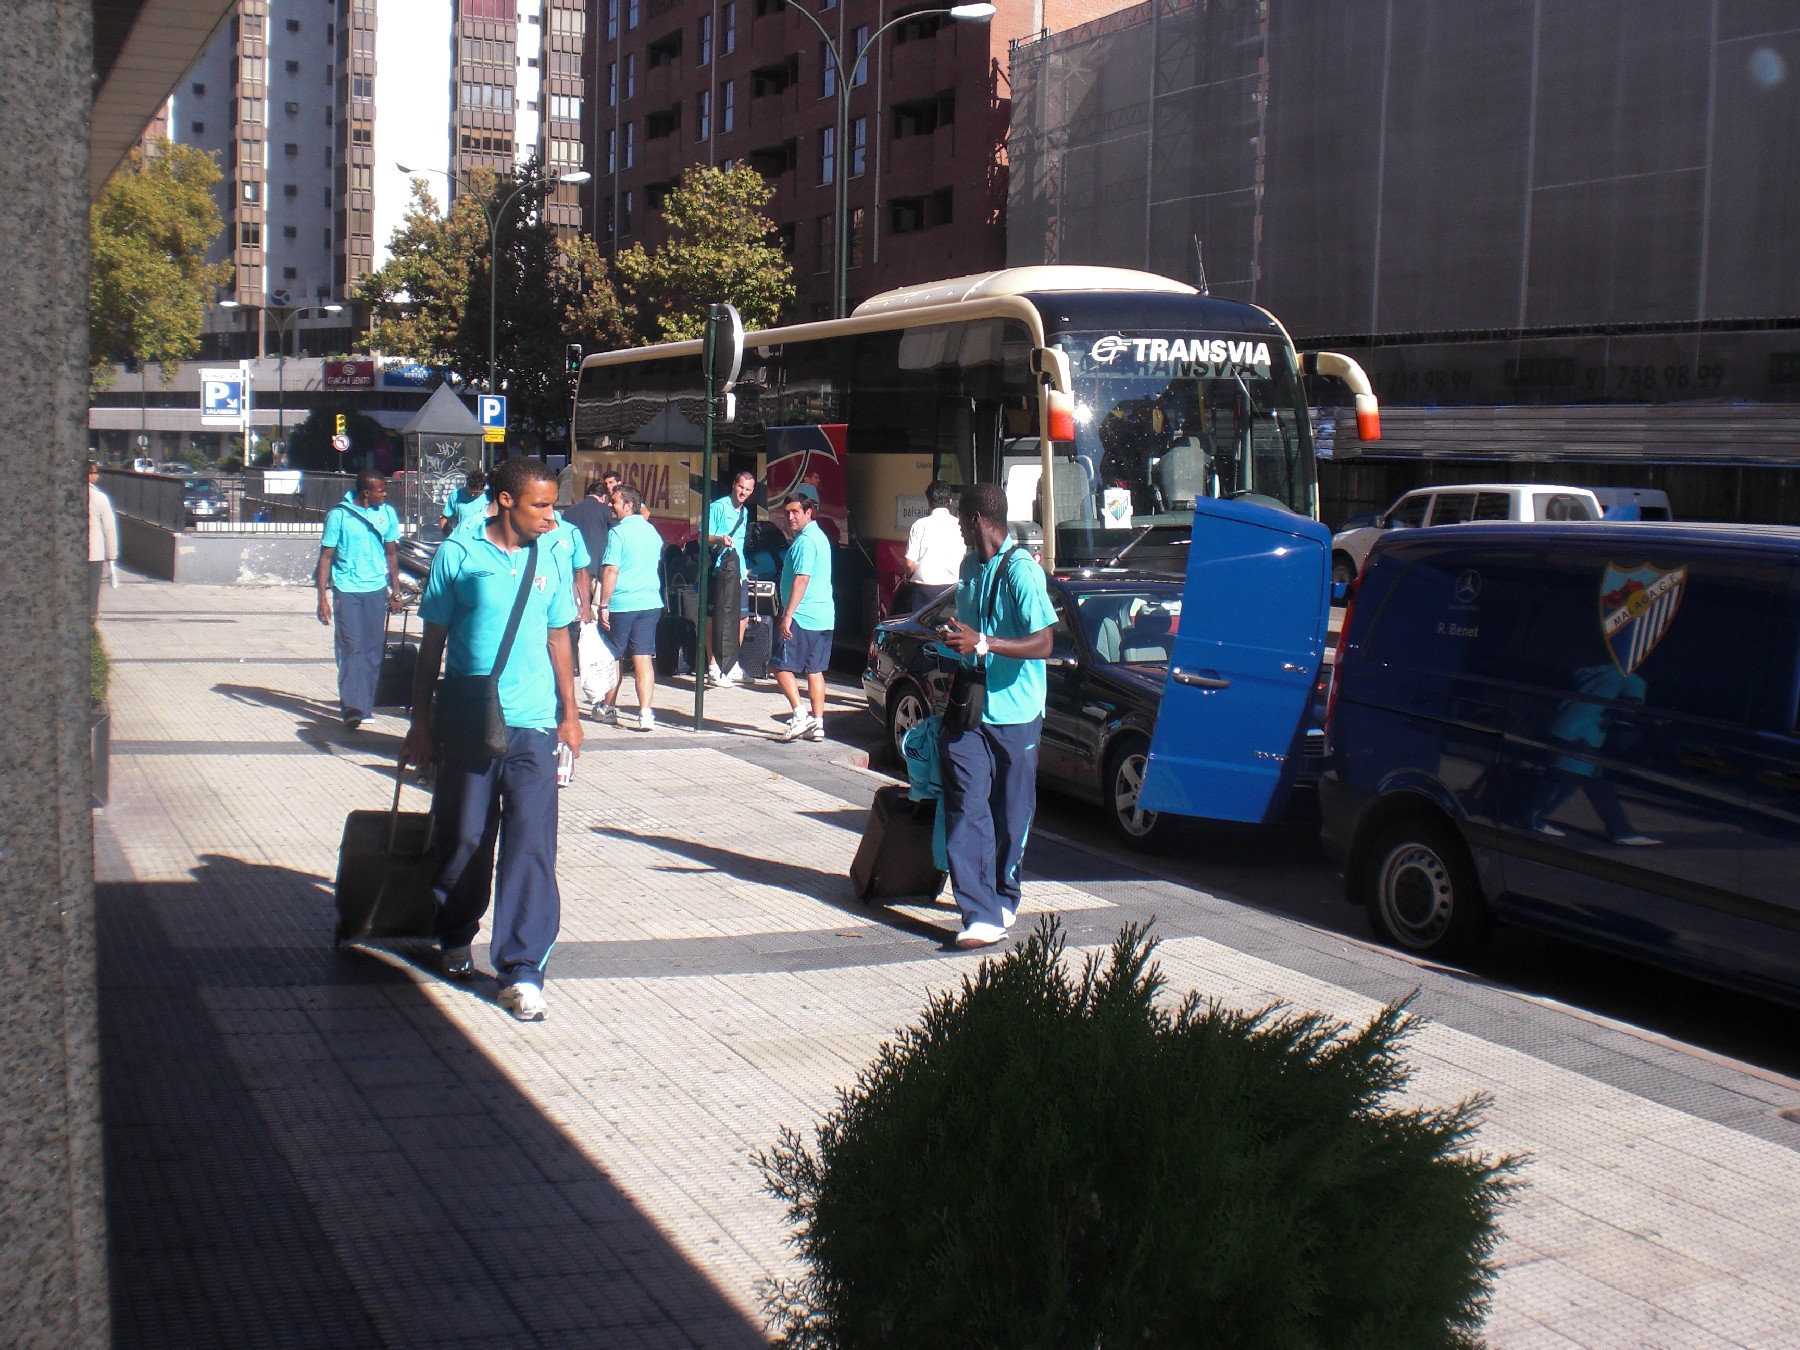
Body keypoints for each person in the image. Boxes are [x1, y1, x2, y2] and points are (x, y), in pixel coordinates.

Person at [404, 457, 582, 1022]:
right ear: (505, 501)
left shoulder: (552, 555)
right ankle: (455, 932)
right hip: (469, 721)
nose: (551, 517)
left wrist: (570, 716)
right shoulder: (458, 555)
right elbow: (430, 647)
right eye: (540, 505)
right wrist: (420, 723)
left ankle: (523, 969)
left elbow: (559, 638)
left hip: (532, 724)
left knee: (531, 845)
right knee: (465, 838)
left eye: (553, 504)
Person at [937, 482, 1056, 949]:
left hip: (1017, 711)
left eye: (963, 521)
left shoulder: (1022, 572)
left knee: (1012, 813)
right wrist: (959, 638)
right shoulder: (970, 565)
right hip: (972, 709)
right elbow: (971, 627)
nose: (961, 530)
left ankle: (1004, 893)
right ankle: (980, 912)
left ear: (976, 521)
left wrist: (985, 643)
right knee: (966, 802)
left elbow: (1044, 642)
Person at [316, 470, 403, 731]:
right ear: (367, 492)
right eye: (381, 490)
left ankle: (366, 706)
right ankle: (351, 707)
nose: (385, 494)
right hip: (347, 589)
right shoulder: (339, 516)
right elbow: (325, 558)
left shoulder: (387, 513)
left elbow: (391, 555)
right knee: (352, 647)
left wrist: (395, 591)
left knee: (373, 651)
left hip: (376, 588)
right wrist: (322, 598)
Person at [597, 481, 663, 731]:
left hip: (622, 603)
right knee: (643, 658)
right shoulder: (652, 532)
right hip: (649, 602)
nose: (610, 505)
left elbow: (611, 569)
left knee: (615, 656)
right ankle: (645, 713)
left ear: (629, 504)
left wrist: (604, 603)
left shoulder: (618, 532)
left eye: (614, 501)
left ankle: (610, 708)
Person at [773, 486, 834, 742]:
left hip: (804, 616)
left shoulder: (806, 542)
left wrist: (788, 615)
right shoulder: (819, 536)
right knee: (814, 670)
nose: (790, 518)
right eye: (787, 512)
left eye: (796, 512)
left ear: (809, 512)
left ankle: (800, 715)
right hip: (824, 616)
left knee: (779, 665)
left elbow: (801, 579)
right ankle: (818, 724)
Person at [564, 471, 620, 712]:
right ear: (601, 497)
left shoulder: (569, 512)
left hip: (573, 574)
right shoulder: (604, 511)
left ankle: (573, 662)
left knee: (574, 619)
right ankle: (591, 662)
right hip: (597, 572)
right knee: (595, 621)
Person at [705, 469, 756, 687]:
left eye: (748, 489)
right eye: (740, 487)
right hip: (720, 569)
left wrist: (744, 570)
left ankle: (731, 663)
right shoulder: (718, 507)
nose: (743, 492)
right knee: (715, 619)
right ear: (734, 485)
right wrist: (719, 539)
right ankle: (714, 667)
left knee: (742, 618)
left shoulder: (745, 512)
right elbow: (702, 537)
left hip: (739, 570)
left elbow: (742, 544)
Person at [899, 479, 963, 615]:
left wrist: (907, 576)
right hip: (951, 590)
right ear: (950, 501)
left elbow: (910, 564)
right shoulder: (959, 525)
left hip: (923, 591)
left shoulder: (919, 525)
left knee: (922, 631)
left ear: (929, 502)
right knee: (948, 631)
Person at [87, 460, 118, 612]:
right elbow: (109, 529)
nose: (97, 476)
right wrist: (112, 555)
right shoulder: (99, 498)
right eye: (95, 473)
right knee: (92, 594)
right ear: (89, 476)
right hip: (94, 555)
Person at [437, 467, 490, 535]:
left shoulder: (490, 494)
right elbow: (444, 519)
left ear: (483, 488)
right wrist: (448, 539)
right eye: (471, 492)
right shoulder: (456, 495)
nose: (473, 495)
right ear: (467, 485)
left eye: (477, 493)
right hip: (462, 536)